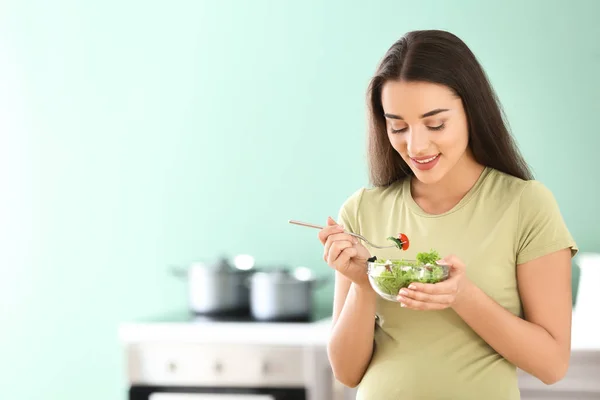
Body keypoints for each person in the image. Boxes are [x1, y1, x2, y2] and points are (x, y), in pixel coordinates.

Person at [318, 30, 578, 400]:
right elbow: (347, 372)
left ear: (472, 110)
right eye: (398, 127)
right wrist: (362, 283)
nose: (416, 145)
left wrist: (463, 296)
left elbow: (552, 365)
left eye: (435, 124)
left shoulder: (526, 205)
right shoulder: (362, 210)